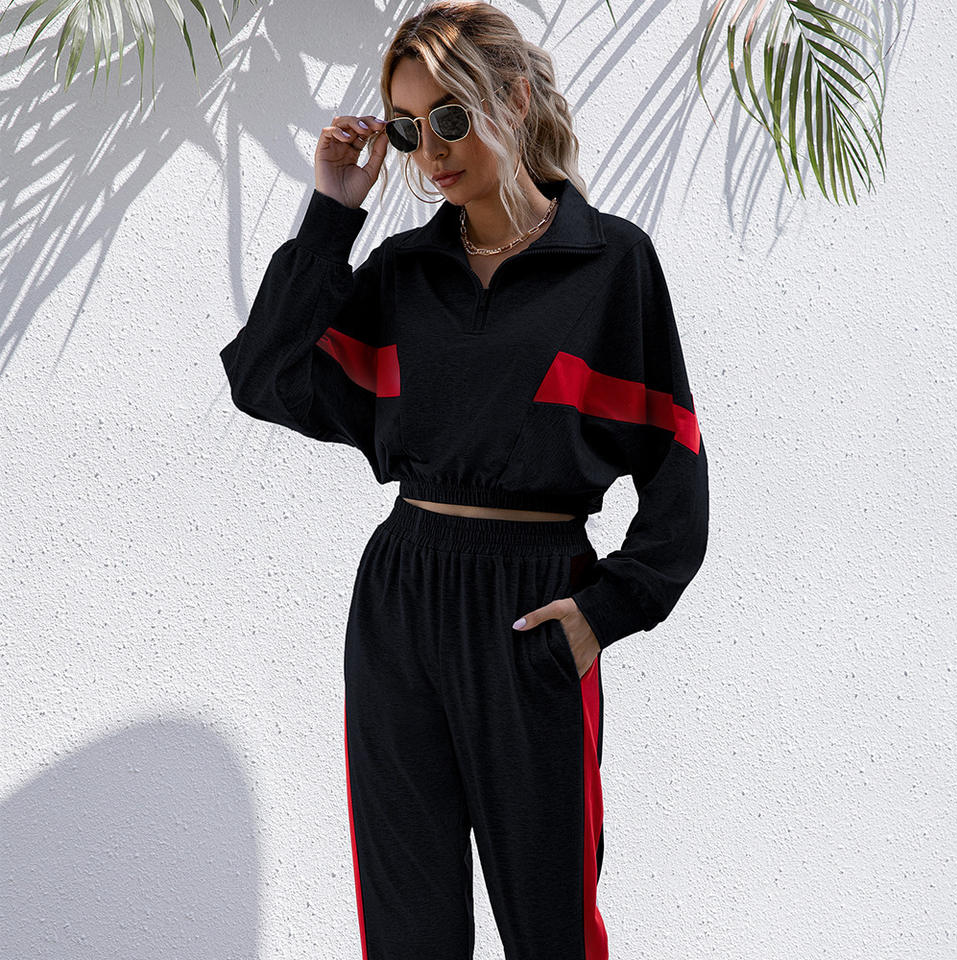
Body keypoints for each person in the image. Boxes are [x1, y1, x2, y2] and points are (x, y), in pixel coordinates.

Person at [219, 2, 709, 957]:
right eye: (408, 128)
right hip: (402, 598)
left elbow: (677, 474)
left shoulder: (612, 265)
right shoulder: (404, 272)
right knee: (408, 928)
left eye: (449, 116)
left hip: (534, 604)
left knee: (552, 926)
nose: (430, 150)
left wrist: (601, 614)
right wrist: (333, 213)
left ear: (514, 99)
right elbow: (263, 376)